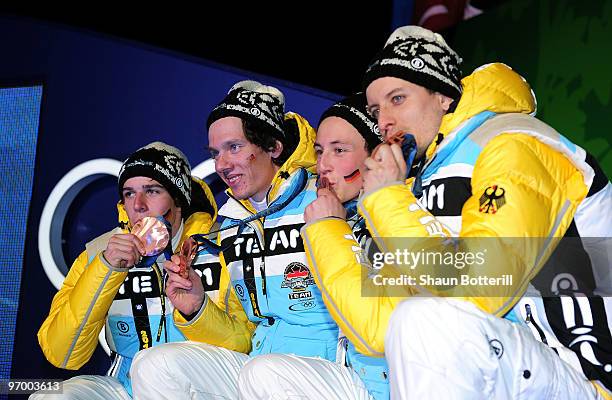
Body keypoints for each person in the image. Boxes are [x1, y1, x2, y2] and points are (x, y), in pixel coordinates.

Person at [301, 26, 612, 399]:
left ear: (444, 96)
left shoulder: (513, 143)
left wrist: (387, 199)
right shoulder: (420, 178)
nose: (384, 120)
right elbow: (379, 328)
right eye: (375, 109)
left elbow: (474, 289)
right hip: (505, 362)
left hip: (581, 375)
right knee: (271, 373)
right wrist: (330, 230)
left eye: (397, 99)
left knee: (425, 320)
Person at [129, 80, 340, 399]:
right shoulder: (231, 223)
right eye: (215, 153)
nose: (221, 165)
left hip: (328, 370)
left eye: (234, 147)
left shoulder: (327, 198)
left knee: (265, 372)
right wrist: (197, 308)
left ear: (273, 147)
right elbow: (242, 336)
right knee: (154, 363)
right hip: (259, 367)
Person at [34, 142, 219, 399]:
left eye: (152, 191)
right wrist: (107, 269)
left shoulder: (218, 247)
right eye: (129, 193)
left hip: (200, 386)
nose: (138, 205)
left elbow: (243, 341)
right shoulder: (98, 253)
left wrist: (197, 310)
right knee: (53, 396)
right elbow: (61, 353)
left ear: (178, 199)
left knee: (160, 367)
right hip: (126, 386)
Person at [237, 93, 390, 399]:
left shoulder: (401, 211)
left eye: (340, 150)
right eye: (320, 151)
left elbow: (376, 327)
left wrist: (331, 229)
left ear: (378, 154)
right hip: (343, 375)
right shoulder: (335, 213)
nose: (323, 165)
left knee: (266, 373)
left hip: (386, 385)